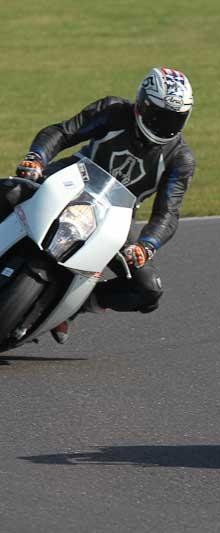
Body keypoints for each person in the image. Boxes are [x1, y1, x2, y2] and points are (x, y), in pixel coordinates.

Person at [8, 67, 195, 343]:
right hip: (69, 179)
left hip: (116, 217)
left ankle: (71, 307)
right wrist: (36, 159)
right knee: (10, 191)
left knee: (148, 291)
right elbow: (62, 132)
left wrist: (146, 245)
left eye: (174, 119)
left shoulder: (180, 159)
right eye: (159, 116)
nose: (164, 125)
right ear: (142, 105)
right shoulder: (113, 111)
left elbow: (167, 213)